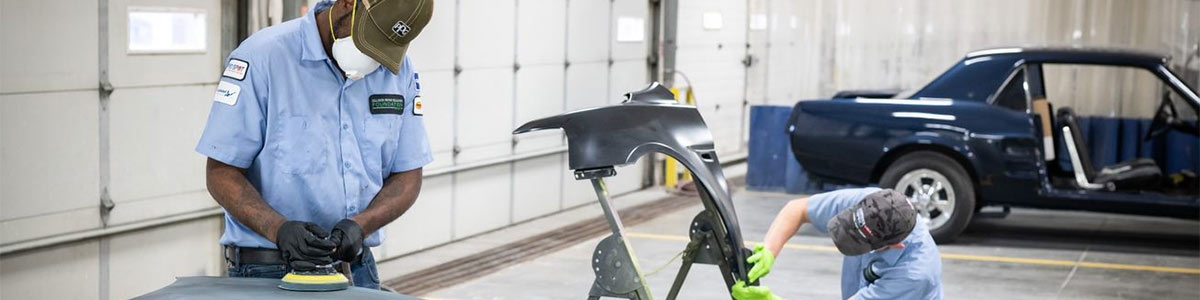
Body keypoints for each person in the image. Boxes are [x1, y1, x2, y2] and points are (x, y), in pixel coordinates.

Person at [197, 0, 433, 289]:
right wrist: (278, 229)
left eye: (385, 48)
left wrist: (362, 225)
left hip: (356, 270)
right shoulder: (263, 58)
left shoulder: (398, 70)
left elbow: (408, 176)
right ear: (348, 3)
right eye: (369, 41)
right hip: (268, 272)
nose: (374, 59)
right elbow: (221, 173)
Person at [731, 188, 943, 300]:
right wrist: (769, 250)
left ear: (896, 245)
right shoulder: (874, 202)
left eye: (861, 242)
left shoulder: (914, 275)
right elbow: (797, 209)